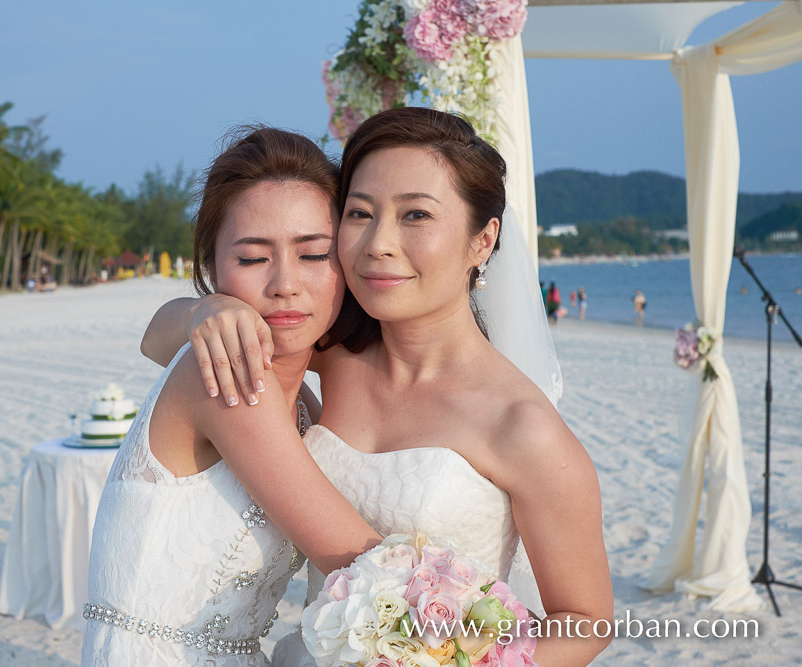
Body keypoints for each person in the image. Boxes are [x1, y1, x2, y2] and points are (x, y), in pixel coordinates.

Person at [144, 108, 613, 666]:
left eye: (416, 215)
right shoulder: (332, 354)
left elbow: (588, 623)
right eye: (360, 213)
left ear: (482, 241)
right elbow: (157, 341)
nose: (378, 244)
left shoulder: (520, 426)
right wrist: (208, 310)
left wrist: (464, 660)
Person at [83, 127, 381, 666]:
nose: (284, 284)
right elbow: (361, 565)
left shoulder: (304, 410)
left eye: (314, 254)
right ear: (213, 269)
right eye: (251, 260)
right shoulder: (228, 382)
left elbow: (156, 336)